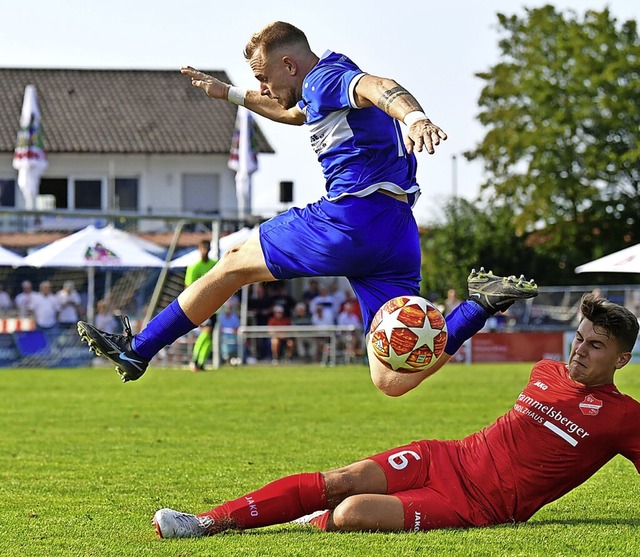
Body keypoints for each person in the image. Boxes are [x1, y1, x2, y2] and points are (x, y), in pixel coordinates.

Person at [80, 20, 458, 395]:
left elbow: (380, 86)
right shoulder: (320, 88)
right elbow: (292, 114)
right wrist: (229, 93)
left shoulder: (323, 80)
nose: (263, 87)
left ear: (290, 65)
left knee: (232, 262)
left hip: (351, 220)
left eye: (264, 76)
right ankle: (479, 306)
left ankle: (137, 350)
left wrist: (415, 117)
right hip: (398, 232)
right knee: (390, 377)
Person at [151, 279, 640, 539]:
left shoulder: (625, 417)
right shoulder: (545, 371)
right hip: (444, 457)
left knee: (351, 513)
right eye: (579, 338)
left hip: (475, 505)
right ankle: (207, 521)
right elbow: (425, 366)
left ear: (621, 359)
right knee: (341, 480)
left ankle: (310, 520)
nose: (579, 350)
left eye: (595, 346)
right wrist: (475, 311)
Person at [184, 239, 218, 372]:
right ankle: (195, 360)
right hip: (202, 305)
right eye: (203, 248)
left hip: (215, 305)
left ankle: (201, 363)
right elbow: (188, 287)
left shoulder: (214, 264)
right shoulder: (194, 267)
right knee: (206, 331)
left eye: (207, 248)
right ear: (199, 249)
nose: (205, 250)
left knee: (209, 336)